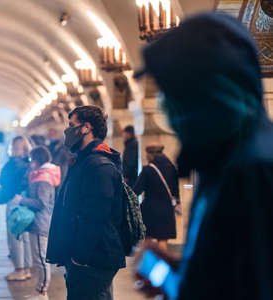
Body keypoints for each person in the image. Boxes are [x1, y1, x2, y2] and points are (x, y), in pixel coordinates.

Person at [133, 12, 273, 299]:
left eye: (174, 91)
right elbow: (228, 272)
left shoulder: (256, 169)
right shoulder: (223, 159)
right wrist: (181, 270)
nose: (167, 105)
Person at [46, 105, 127, 300]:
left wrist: (79, 258)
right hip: (89, 256)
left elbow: (96, 215)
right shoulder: (85, 160)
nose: (68, 130)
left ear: (86, 127)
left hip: (93, 258)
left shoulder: (97, 165)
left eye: (72, 125)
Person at [13, 146, 61, 300]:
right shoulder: (40, 175)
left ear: (37, 159)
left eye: (32, 159)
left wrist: (21, 200)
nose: (30, 162)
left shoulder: (43, 178)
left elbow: (41, 203)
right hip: (38, 222)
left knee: (41, 259)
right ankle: (39, 289)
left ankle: (42, 292)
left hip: (41, 223)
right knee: (38, 258)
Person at [133, 143, 180, 252]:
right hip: (167, 210)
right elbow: (175, 190)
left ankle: (147, 267)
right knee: (163, 240)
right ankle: (162, 265)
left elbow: (136, 191)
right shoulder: (171, 167)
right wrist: (177, 204)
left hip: (150, 210)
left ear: (150, 154)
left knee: (147, 240)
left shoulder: (148, 170)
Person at [0, 136, 32, 281]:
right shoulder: (29, 162)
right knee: (25, 236)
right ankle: (27, 269)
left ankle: (19, 270)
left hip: (14, 200)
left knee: (14, 235)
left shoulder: (13, 164)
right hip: (25, 199)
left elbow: (2, 179)